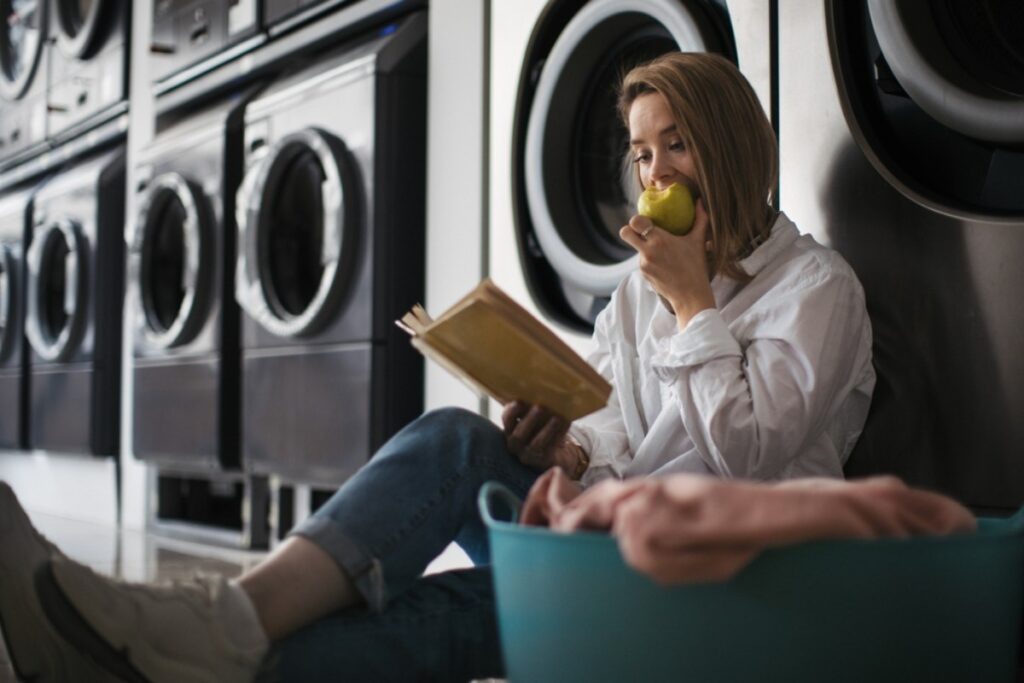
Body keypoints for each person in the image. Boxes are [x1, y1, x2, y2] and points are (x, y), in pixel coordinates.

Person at [0, 52, 874, 682]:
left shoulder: (815, 288)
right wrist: (569, 447)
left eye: (675, 145)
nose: (653, 174)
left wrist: (694, 303)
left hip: (714, 581)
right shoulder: (642, 292)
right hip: (603, 536)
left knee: (451, 618)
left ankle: (145, 648)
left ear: (729, 148)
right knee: (459, 441)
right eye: (641, 154)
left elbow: (750, 457)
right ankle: (198, 627)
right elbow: (614, 417)